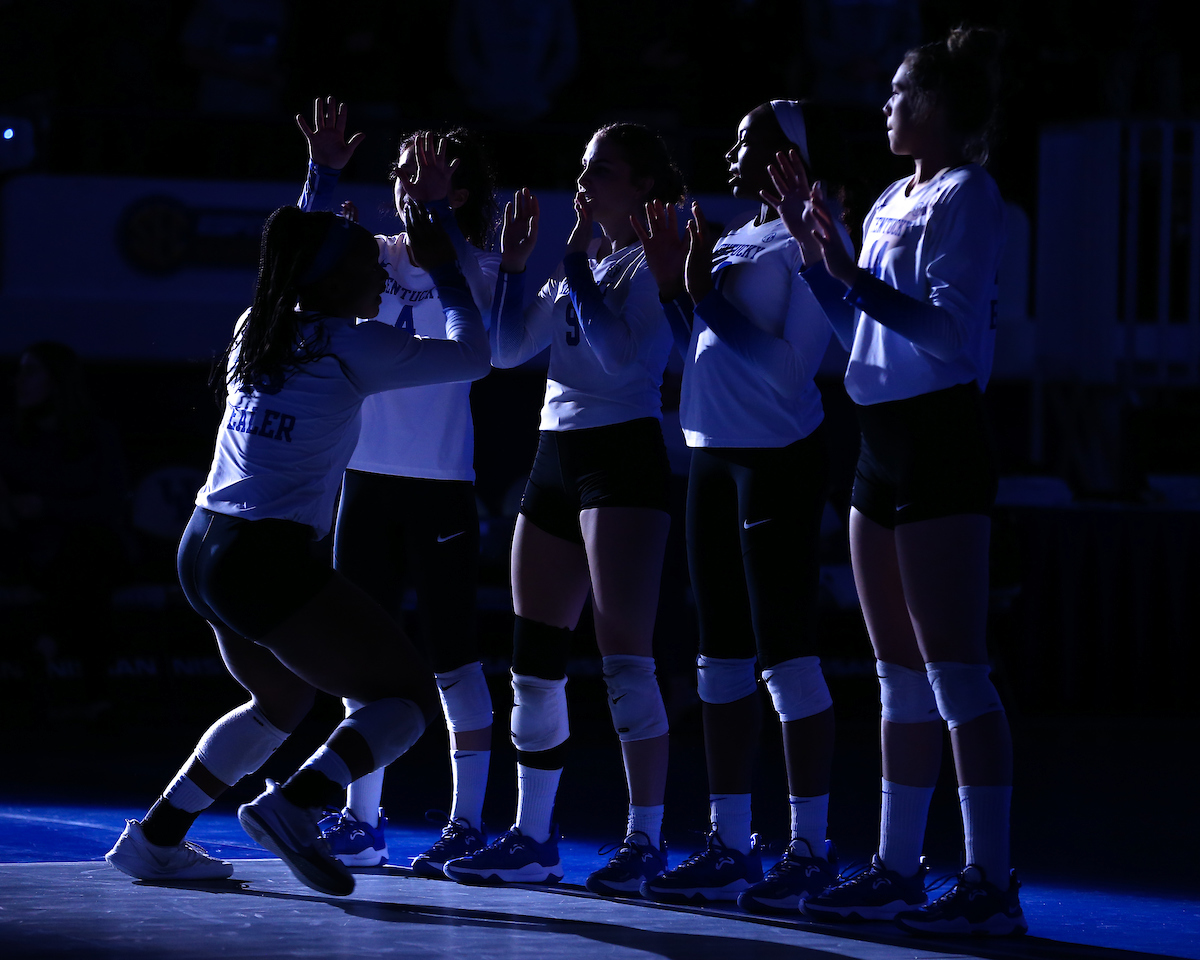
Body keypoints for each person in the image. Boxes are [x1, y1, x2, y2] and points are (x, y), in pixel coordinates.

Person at [104, 202, 490, 898]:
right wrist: (445, 272)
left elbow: (295, 252)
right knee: (405, 697)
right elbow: (473, 356)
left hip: (203, 545)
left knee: (280, 698)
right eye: (368, 270)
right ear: (334, 281)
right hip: (264, 558)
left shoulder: (258, 326)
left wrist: (323, 181)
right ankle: (297, 804)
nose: (381, 280)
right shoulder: (354, 345)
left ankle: (155, 838)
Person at [773, 26, 1026, 937]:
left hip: (940, 440)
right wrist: (818, 264)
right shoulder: (889, 197)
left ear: (941, 107)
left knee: (957, 673)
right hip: (877, 442)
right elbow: (861, 332)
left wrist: (848, 272)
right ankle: (896, 867)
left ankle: (990, 882)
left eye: (901, 92)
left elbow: (947, 335)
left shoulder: (970, 194)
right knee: (898, 680)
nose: (886, 105)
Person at [442, 123, 684, 894]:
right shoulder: (586, 261)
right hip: (554, 456)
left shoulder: (656, 259)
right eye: (582, 167)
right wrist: (517, 270)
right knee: (533, 663)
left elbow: (619, 355)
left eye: (601, 170)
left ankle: (645, 840)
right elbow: (506, 351)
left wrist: (573, 261)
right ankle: (534, 837)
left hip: (623, 459)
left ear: (643, 187)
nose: (584, 181)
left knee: (625, 660)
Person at [632, 102, 844, 911]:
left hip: (777, 461)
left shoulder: (811, 233)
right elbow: (706, 344)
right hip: (709, 455)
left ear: (789, 151)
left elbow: (790, 370)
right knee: (717, 658)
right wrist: (676, 291)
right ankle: (730, 844)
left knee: (786, 656)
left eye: (748, 139)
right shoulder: (734, 233)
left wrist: (700, 294)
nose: (731, 149)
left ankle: (810, 849)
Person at [295, 97, 500, 876]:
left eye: (430, 174)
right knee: (361, 659)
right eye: (405, 172)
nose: (410, 184)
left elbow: (485, 345)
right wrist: (322, 176)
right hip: (364, 482)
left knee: (453, 659)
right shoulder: (369, 255)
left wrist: (438, 220)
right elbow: (296, 261)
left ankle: (467, 824)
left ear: (460, 191)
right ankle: (363, 820)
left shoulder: (482, 268)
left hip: (440, 486)